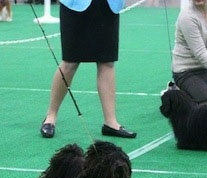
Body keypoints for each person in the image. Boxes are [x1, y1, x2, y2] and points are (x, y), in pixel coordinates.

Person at [40, 0, 136, 138]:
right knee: (70, 62)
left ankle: (111, 122)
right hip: (75, 5)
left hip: (108, 5)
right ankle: (50, 116)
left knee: (107, 62)